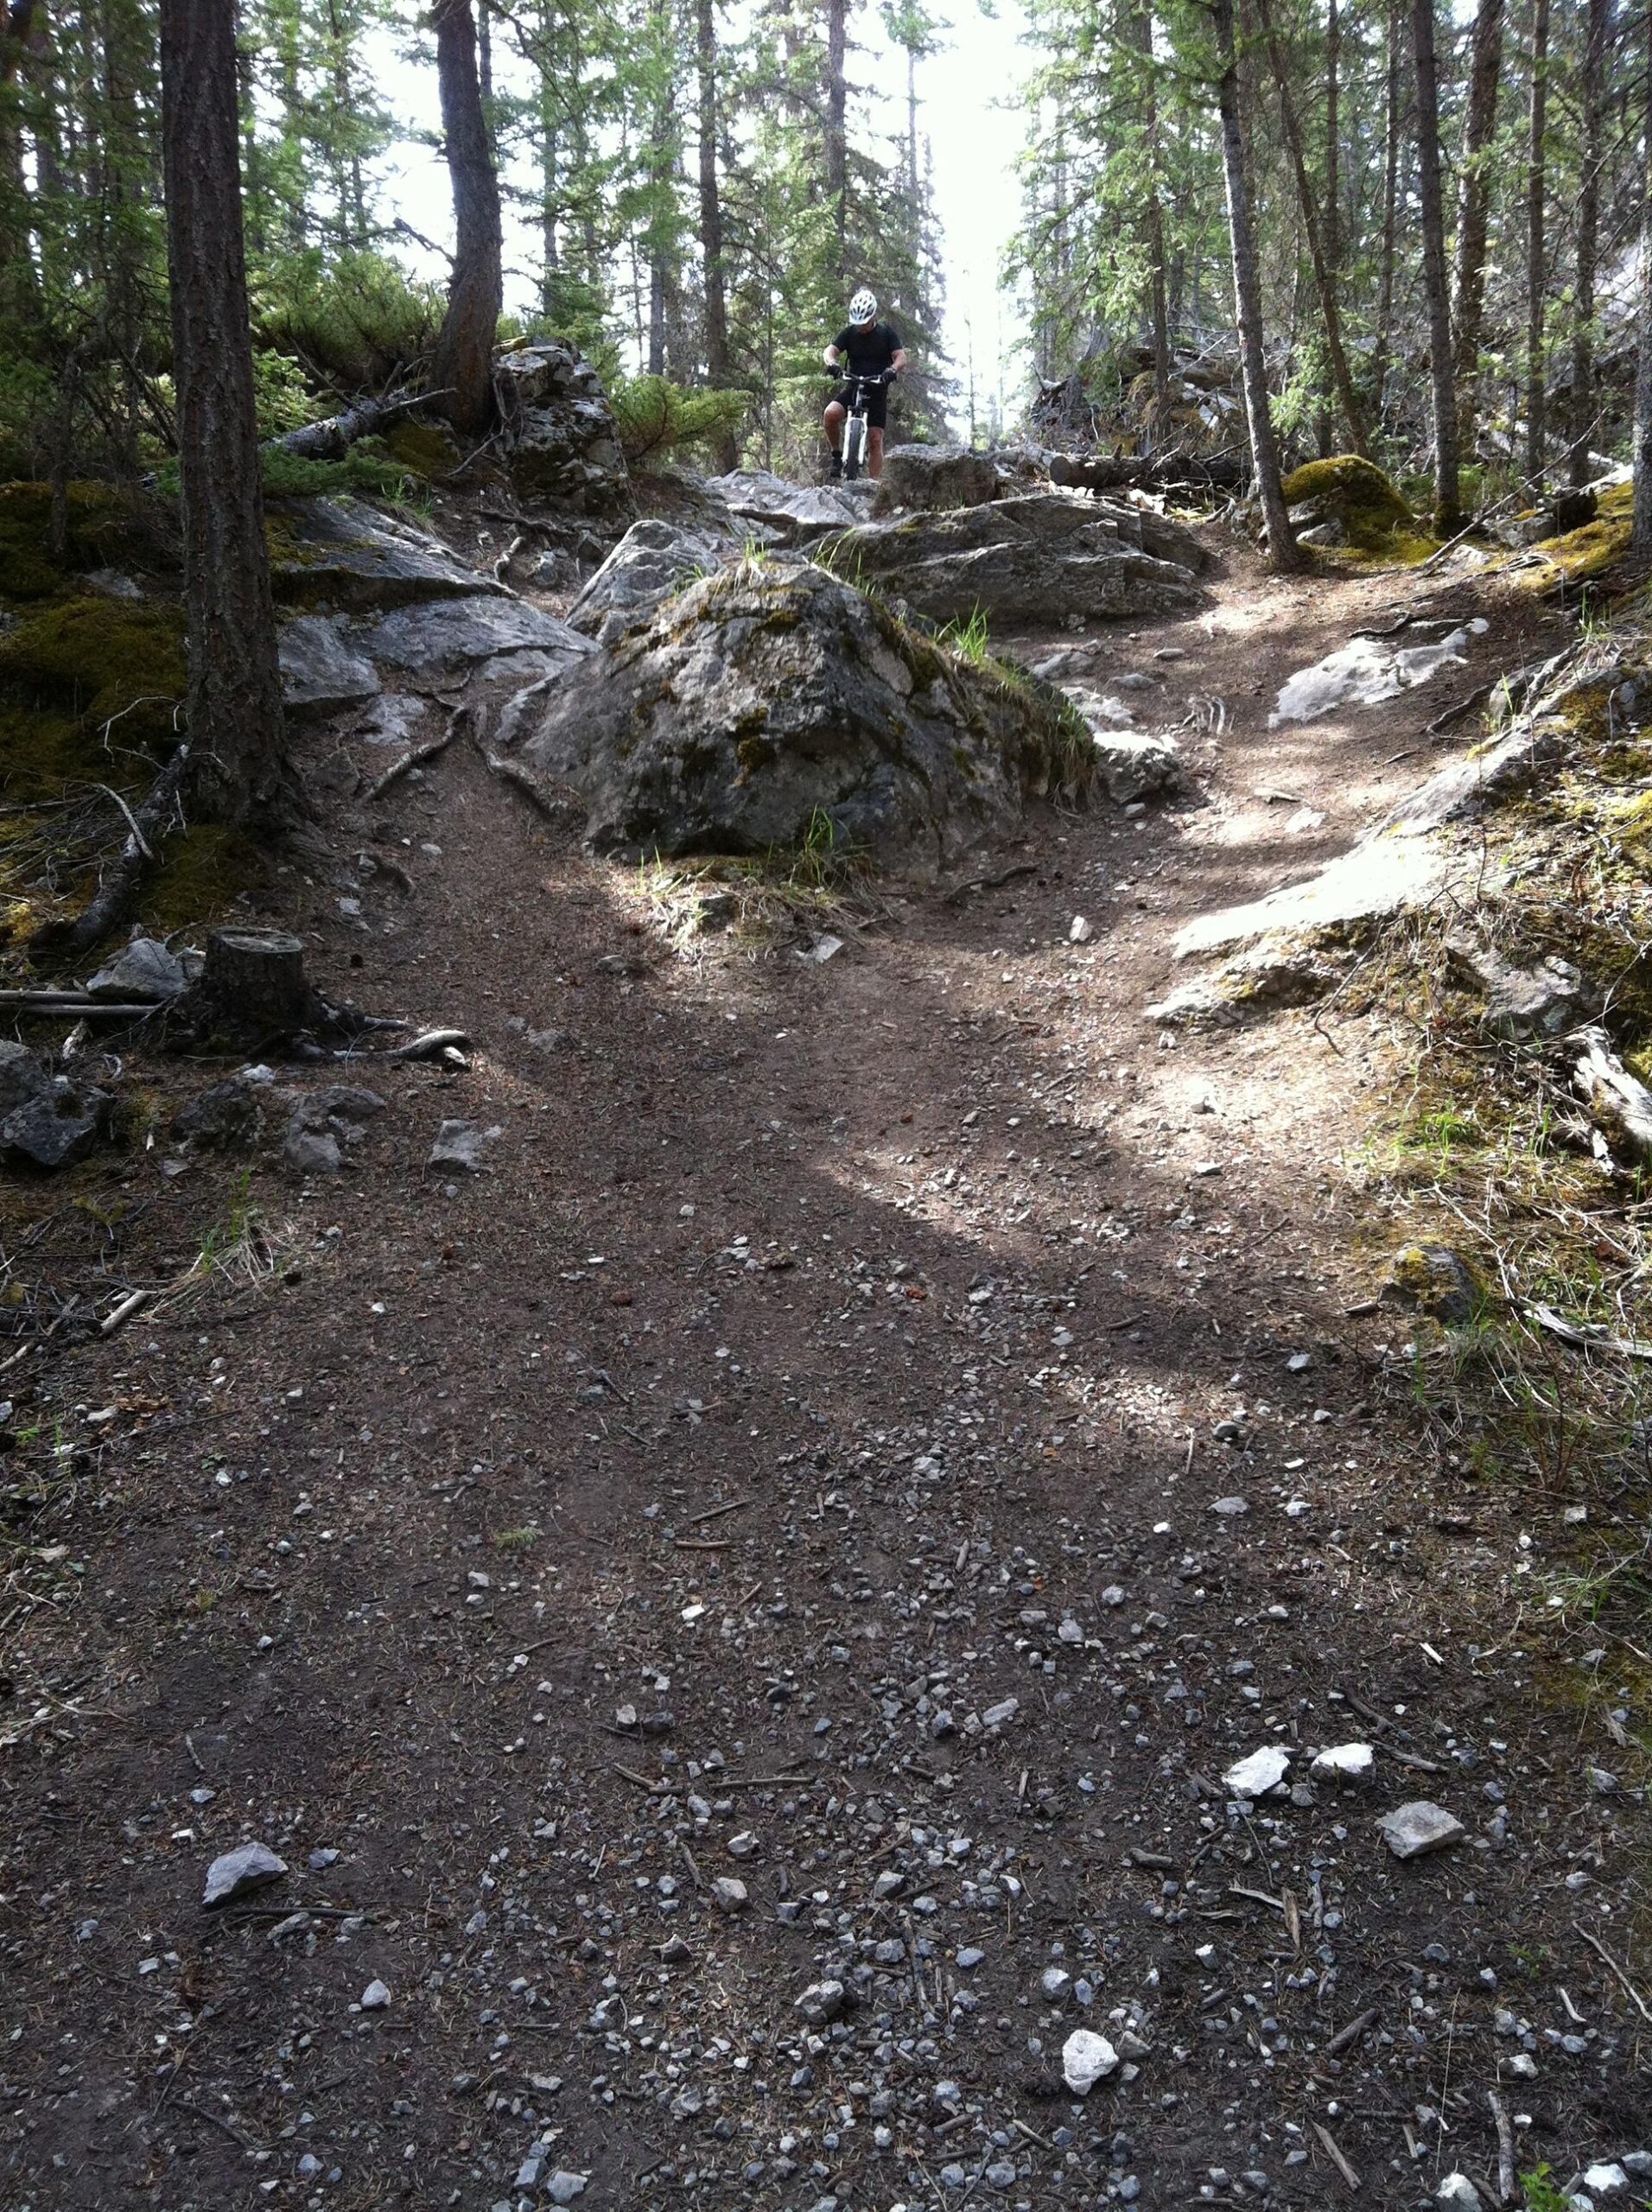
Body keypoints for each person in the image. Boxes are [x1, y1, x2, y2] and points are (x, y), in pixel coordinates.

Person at [823, 289, 908, 480]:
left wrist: (892, 370)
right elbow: (831, 350)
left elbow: (901, 357)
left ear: (872, 317)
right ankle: (837, 456)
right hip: (853, 386)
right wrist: (832, 364)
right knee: (830, 414)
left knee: (876, 439)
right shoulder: (850, 333)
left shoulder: (886, 333)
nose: (860, 327)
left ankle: (873, 486)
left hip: (877, 390)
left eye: (864, 323)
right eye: (858, 323)